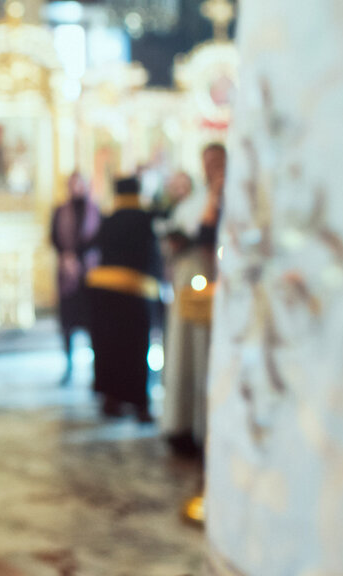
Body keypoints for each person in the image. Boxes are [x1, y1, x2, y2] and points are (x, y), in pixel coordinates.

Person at [161, 142, 226, 457]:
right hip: (193, 278)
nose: (211, 167)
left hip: (218, 278)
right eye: (207, 161)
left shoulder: (230, 195)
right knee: (189, 348)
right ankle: (185, 423)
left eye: (217, 161)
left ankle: (209, 427)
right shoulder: (196, 201)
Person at [86, 177, 164, 423]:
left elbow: (92, 245)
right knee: (137, 347)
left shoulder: (108, 219)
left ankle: (112, 398)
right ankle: (141, 404)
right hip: (135, 291)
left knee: (109, 346)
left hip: (103, 290)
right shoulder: (147, 218)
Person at [49, 171, 102, 385]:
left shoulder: (95, 211)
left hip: (90, 273)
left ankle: (95, 369)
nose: (77, 187)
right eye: (73, 183)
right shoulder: (60, 211)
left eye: (80, 183)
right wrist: (67, 256)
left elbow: (97, 238)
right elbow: (54, 237)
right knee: (68, 322)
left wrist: (81, 257)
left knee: (92, 322)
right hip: (67, 272)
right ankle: (69, 364)